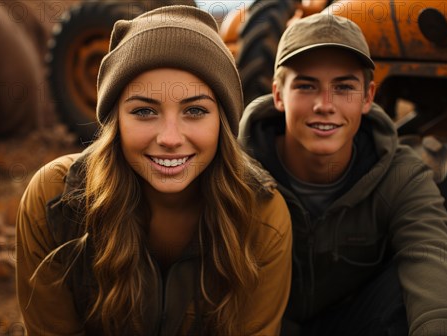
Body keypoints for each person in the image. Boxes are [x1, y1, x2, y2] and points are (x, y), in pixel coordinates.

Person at [16, 5, 292, 335]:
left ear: (223, 120)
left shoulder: (262, 216)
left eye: (195, 110)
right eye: (145, 111)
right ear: (115, 120)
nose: (170, 139)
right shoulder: (54, 201)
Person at [238, 12, 447, 335]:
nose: (325, 105)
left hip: (352, 322)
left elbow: (431, 253)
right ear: (278, 95)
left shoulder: (398, 173)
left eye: (343, 87)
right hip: (259, 324)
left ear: (368, 97)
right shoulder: (236, 172)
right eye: (307, 86)